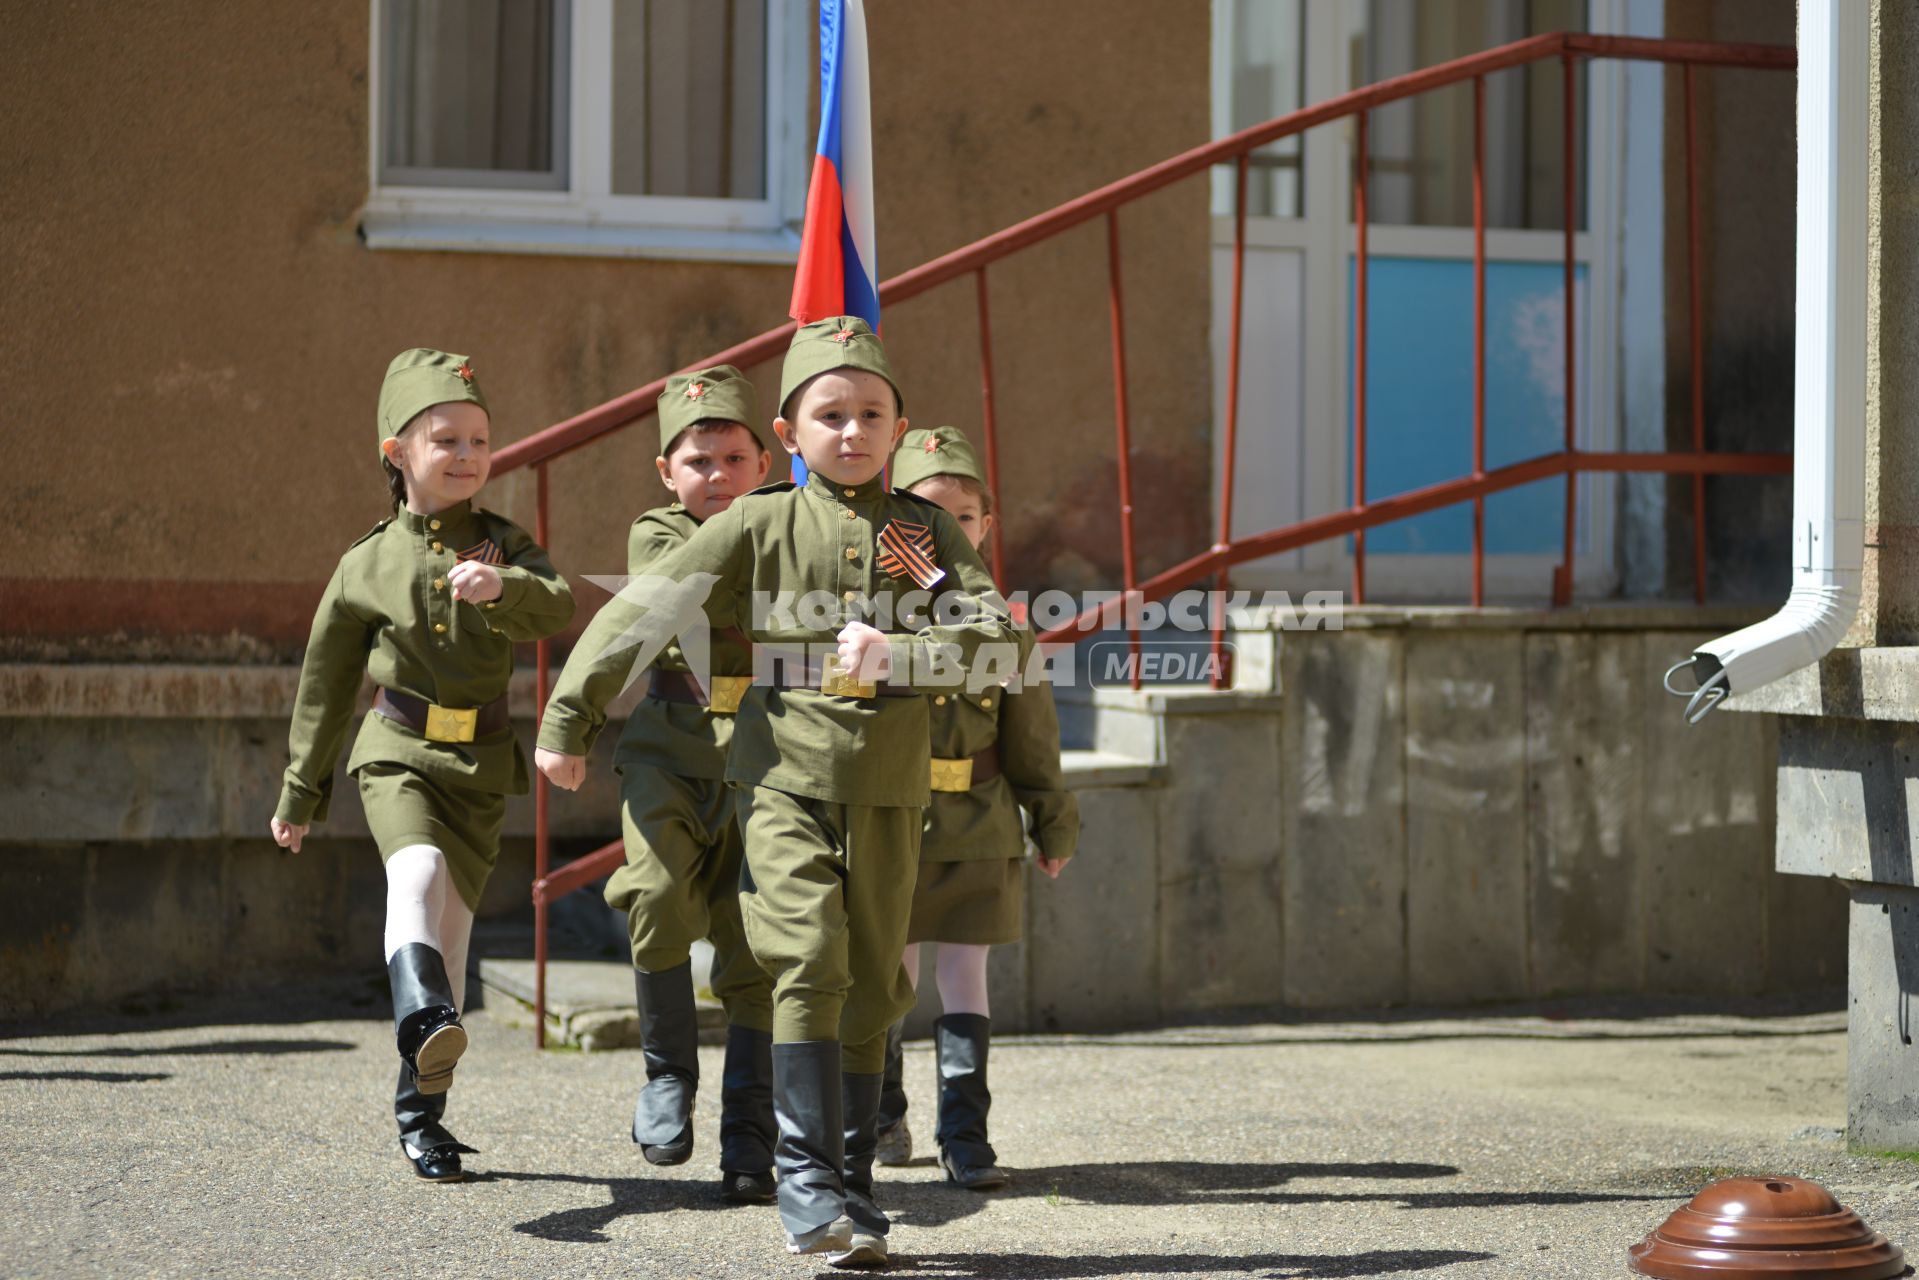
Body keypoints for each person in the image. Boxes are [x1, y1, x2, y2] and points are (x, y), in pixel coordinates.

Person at [537, 317, 1013, 1268]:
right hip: (780, 779)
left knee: (878, 979)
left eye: (870, 413)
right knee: (808, 956)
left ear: (896, 424)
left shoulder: (921, 537)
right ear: (789, 436)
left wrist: (905, 652)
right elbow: (646, 608)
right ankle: (804, 1180)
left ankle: (853, 1183)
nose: (852, 430)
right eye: (829, 414)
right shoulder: (754, 523)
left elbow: (999, 642)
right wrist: (567, 720)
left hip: (887, 790)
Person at [270, 348, 575, 1182]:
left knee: (453, 941)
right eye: (447, 439)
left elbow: (558, 604)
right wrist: (302, 790)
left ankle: (421, 1118)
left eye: (480, 439)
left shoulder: (505, 545)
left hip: (479, 762)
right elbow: (326, 684)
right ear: (395, 452)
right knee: (418, 871)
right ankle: (422, 1014)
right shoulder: (363, 565)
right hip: (396, 749)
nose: (470, 454)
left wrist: (501, 591)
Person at [536, 365, 780, 1204]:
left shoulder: (792, 523)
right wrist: (572, 719)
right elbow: (683, 603)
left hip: (767, 752)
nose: (717, 477)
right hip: (669, 746)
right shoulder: (658, 533)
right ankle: (667, 1075)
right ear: (667, 474)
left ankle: (750, 1133)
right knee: (656, 891)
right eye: (698, 462)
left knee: (756, 939)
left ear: (765, 461)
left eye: (734, 460)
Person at [874, 426, 1079, 1191]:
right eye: (927, 516)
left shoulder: (1004, 625)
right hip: (891, 820)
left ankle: (965, 1136)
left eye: (962, 518)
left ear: (985, 527)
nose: (946, 532)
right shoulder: (875, 619)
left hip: (980, 822)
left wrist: (1051, 822)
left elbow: (1033, 739)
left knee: (965, 977)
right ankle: (880, 1112)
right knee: (887, 978)